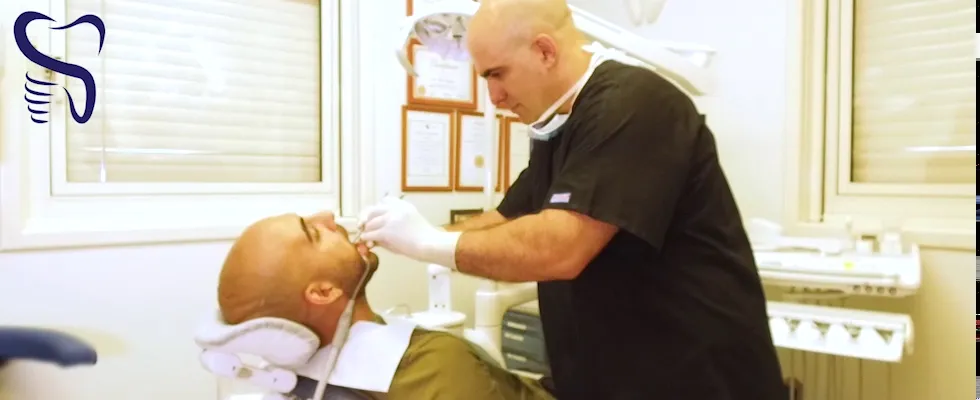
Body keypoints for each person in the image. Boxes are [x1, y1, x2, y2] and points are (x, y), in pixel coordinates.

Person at [356, 0, 787, 398]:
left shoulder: (634, 105)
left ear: (545, 51)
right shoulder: (557, 127)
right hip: (606, 378)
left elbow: (560, 248)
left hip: (694, 378)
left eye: (497, 74)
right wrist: (404, 233)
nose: (494, 97)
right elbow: (507, 219)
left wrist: (426, 243)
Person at [217, 212, 555, 400]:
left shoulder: (295, 379)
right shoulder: (432, 362)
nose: (328, 218)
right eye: (314, 234)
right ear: (322, 292)